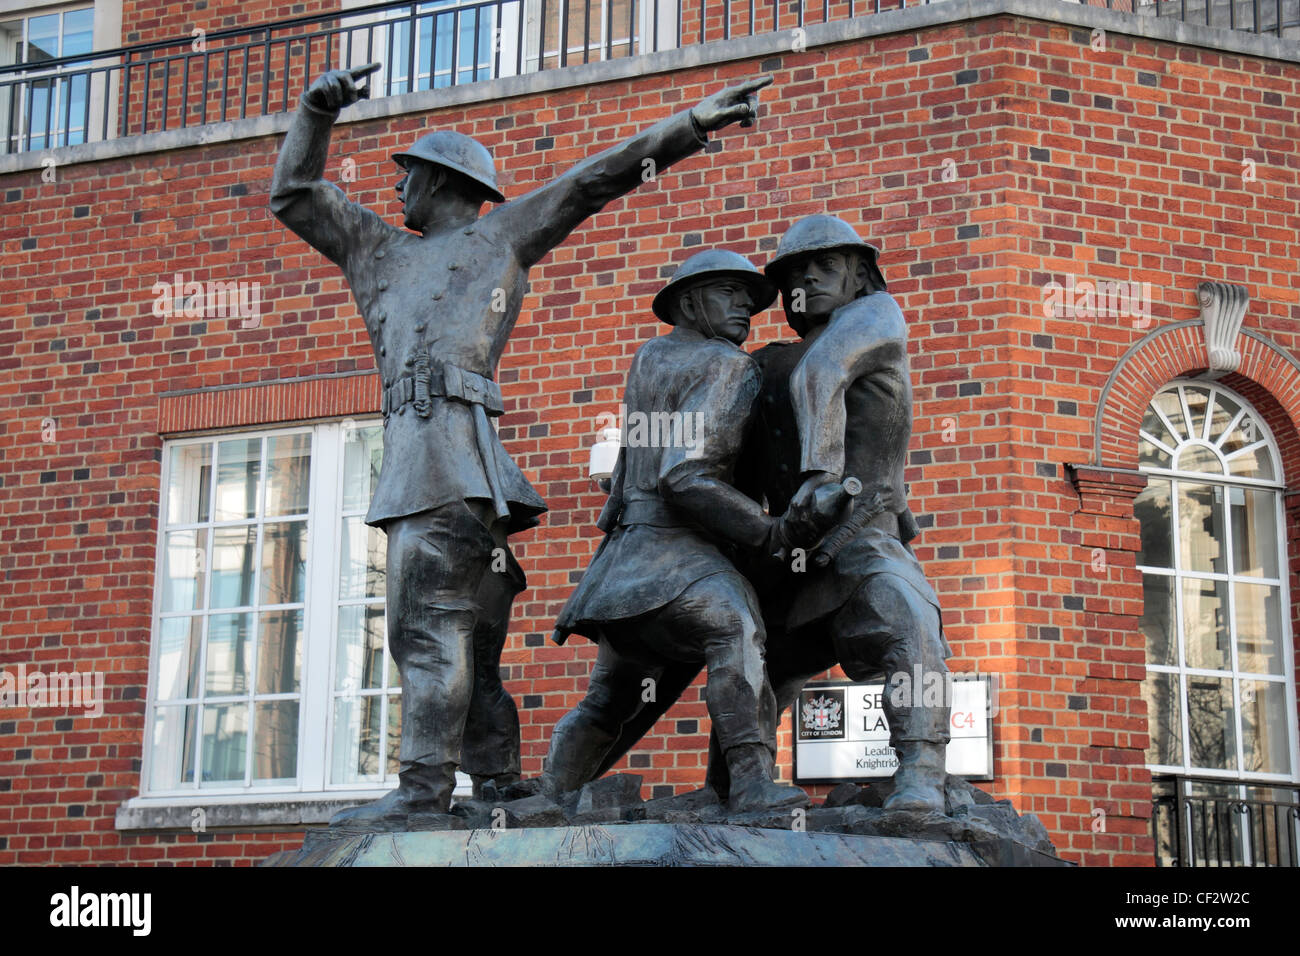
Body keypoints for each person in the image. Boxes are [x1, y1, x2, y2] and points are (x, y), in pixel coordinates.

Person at [269, 62, 772, 829]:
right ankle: (499, 781)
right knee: (473, 645)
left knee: (428, 635)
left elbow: (590, 181)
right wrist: (314, 112)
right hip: (473, 482)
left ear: (440, 183)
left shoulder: (492, 235)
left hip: (434, 474)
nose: (397, 187)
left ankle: (423, 791)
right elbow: (296, 194)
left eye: (409, 176)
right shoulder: (376, 247)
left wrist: (689, 126)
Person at [543, 250, 845, 812]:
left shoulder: (649, 356)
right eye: (727, 294)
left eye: (749, 300)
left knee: (609, 698)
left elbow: (634, 468)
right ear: (688, 302)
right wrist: (769, 532)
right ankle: (752, 783)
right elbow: (686, 473)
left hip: (624, 564)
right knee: (736, 629)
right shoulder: (728, 366)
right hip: (679, 555)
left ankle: (546, 796)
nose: (744, 309)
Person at [736, 214, 952, 812]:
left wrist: (819, 475)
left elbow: (823, 372)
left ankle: (922, 774)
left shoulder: (875, 316)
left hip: (858, 535)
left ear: (860, 276)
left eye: (824, 266)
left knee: (909, 627)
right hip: (792, 548)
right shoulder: (767, 362)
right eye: (793, 274)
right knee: (750, 667)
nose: (806, 280)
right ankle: (737, 784)